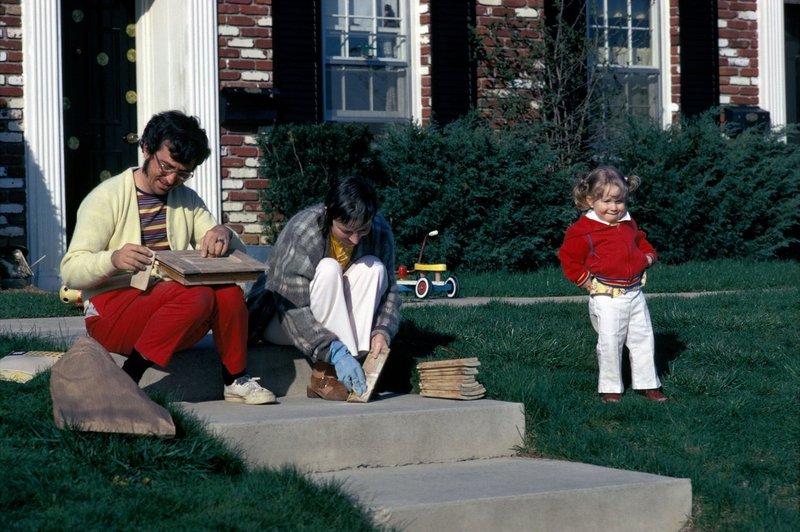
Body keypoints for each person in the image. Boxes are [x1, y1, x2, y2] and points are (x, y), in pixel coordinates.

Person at [60, 110, 275, 405]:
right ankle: (127, 378)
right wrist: (112, 260)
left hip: (172, 309)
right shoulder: (106, 197)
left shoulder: (186, 199)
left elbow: (234, 252)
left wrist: (223, 232)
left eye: (183, 172)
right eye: (166, 166)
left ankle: (235, 379)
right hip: (111, 312)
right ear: (146, 149)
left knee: (227, 291)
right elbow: (71, 271)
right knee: (196, 296)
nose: (172, 178)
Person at [246, 176, 401, 401]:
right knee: (329, 269)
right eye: (347, 231)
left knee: (374, 268)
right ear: (328, 214)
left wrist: (382, 331)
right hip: (281, 320)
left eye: (363, 229)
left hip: (327, 320)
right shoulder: (302, 231)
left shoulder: (380, 230)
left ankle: (351, 365)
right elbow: (293, 309)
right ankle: (327, 371)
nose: (356, 239)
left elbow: (390, 292)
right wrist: (335, 352)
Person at [558, 165, 667, 403]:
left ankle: (648, 384)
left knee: (643, 339)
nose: (614, 207)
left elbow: (641, 242)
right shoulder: (583, 230)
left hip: (635, 293)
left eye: (619, 201)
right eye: (607, 201)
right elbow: (569, 258)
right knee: (610, 342)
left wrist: (648, 257)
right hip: (607, 296)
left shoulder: (628, 223)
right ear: (590, 200)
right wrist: (584, 281)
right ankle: (610, 388)